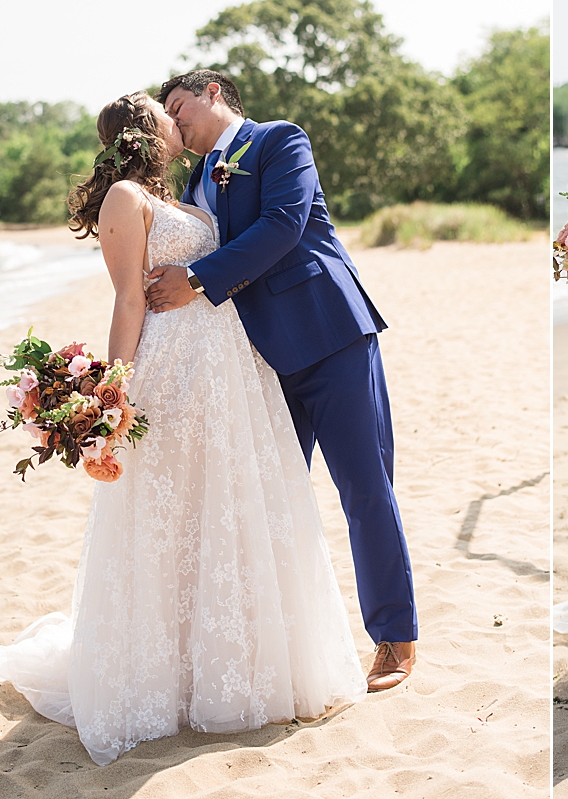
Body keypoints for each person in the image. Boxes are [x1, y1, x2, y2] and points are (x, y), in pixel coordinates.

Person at [0, 93, 366, 765]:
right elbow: (129, 297)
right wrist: (113, 392)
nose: (177, 119)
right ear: (145, 128)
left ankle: (235, 660)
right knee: (171, 518)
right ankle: (167, 676)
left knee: (225, 510)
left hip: (228, 372)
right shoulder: (124, 198)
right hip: (173, 369)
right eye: (164, 111)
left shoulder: (190, 189)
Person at [144, 70, 417, 690]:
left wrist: (198, 280)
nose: (176, 121)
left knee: (365, 487)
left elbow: (283, 226)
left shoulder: (278, 141)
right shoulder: (191, 180)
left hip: (328, 337)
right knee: (264, 501)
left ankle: (394, 641)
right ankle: (276, 646)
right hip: (256, 363)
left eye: (180, 106)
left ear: (214, 92)